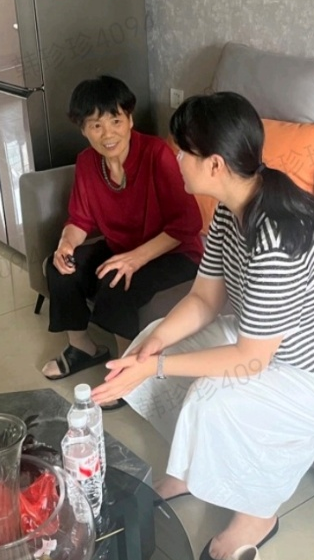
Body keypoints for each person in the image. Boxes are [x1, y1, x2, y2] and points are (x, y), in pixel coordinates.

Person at [92, 92, 314, 560]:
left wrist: (157, 368)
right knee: (151, 341)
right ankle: (189, 470)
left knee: (213, 398)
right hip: (268, 342)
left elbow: (251, 359)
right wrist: (156, 348)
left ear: (215, 164)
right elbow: (205, 298)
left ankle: (258, 514)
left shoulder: (277, 238)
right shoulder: (233, 206)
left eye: (183, 152)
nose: (176, 160)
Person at [41, 76, 204, 409]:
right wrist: (66, 245)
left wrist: (136, 258)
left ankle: (125, 372)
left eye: (115, 121)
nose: (108, 133)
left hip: (175, 250)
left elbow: (188, 224)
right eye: (96, 125)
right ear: (83, 130)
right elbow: (79, 220)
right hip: (123, 246)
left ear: (130, 119)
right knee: (60, 267)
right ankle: (82, 348)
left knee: (117, 280)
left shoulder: (156, 154)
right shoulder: (87, 162)